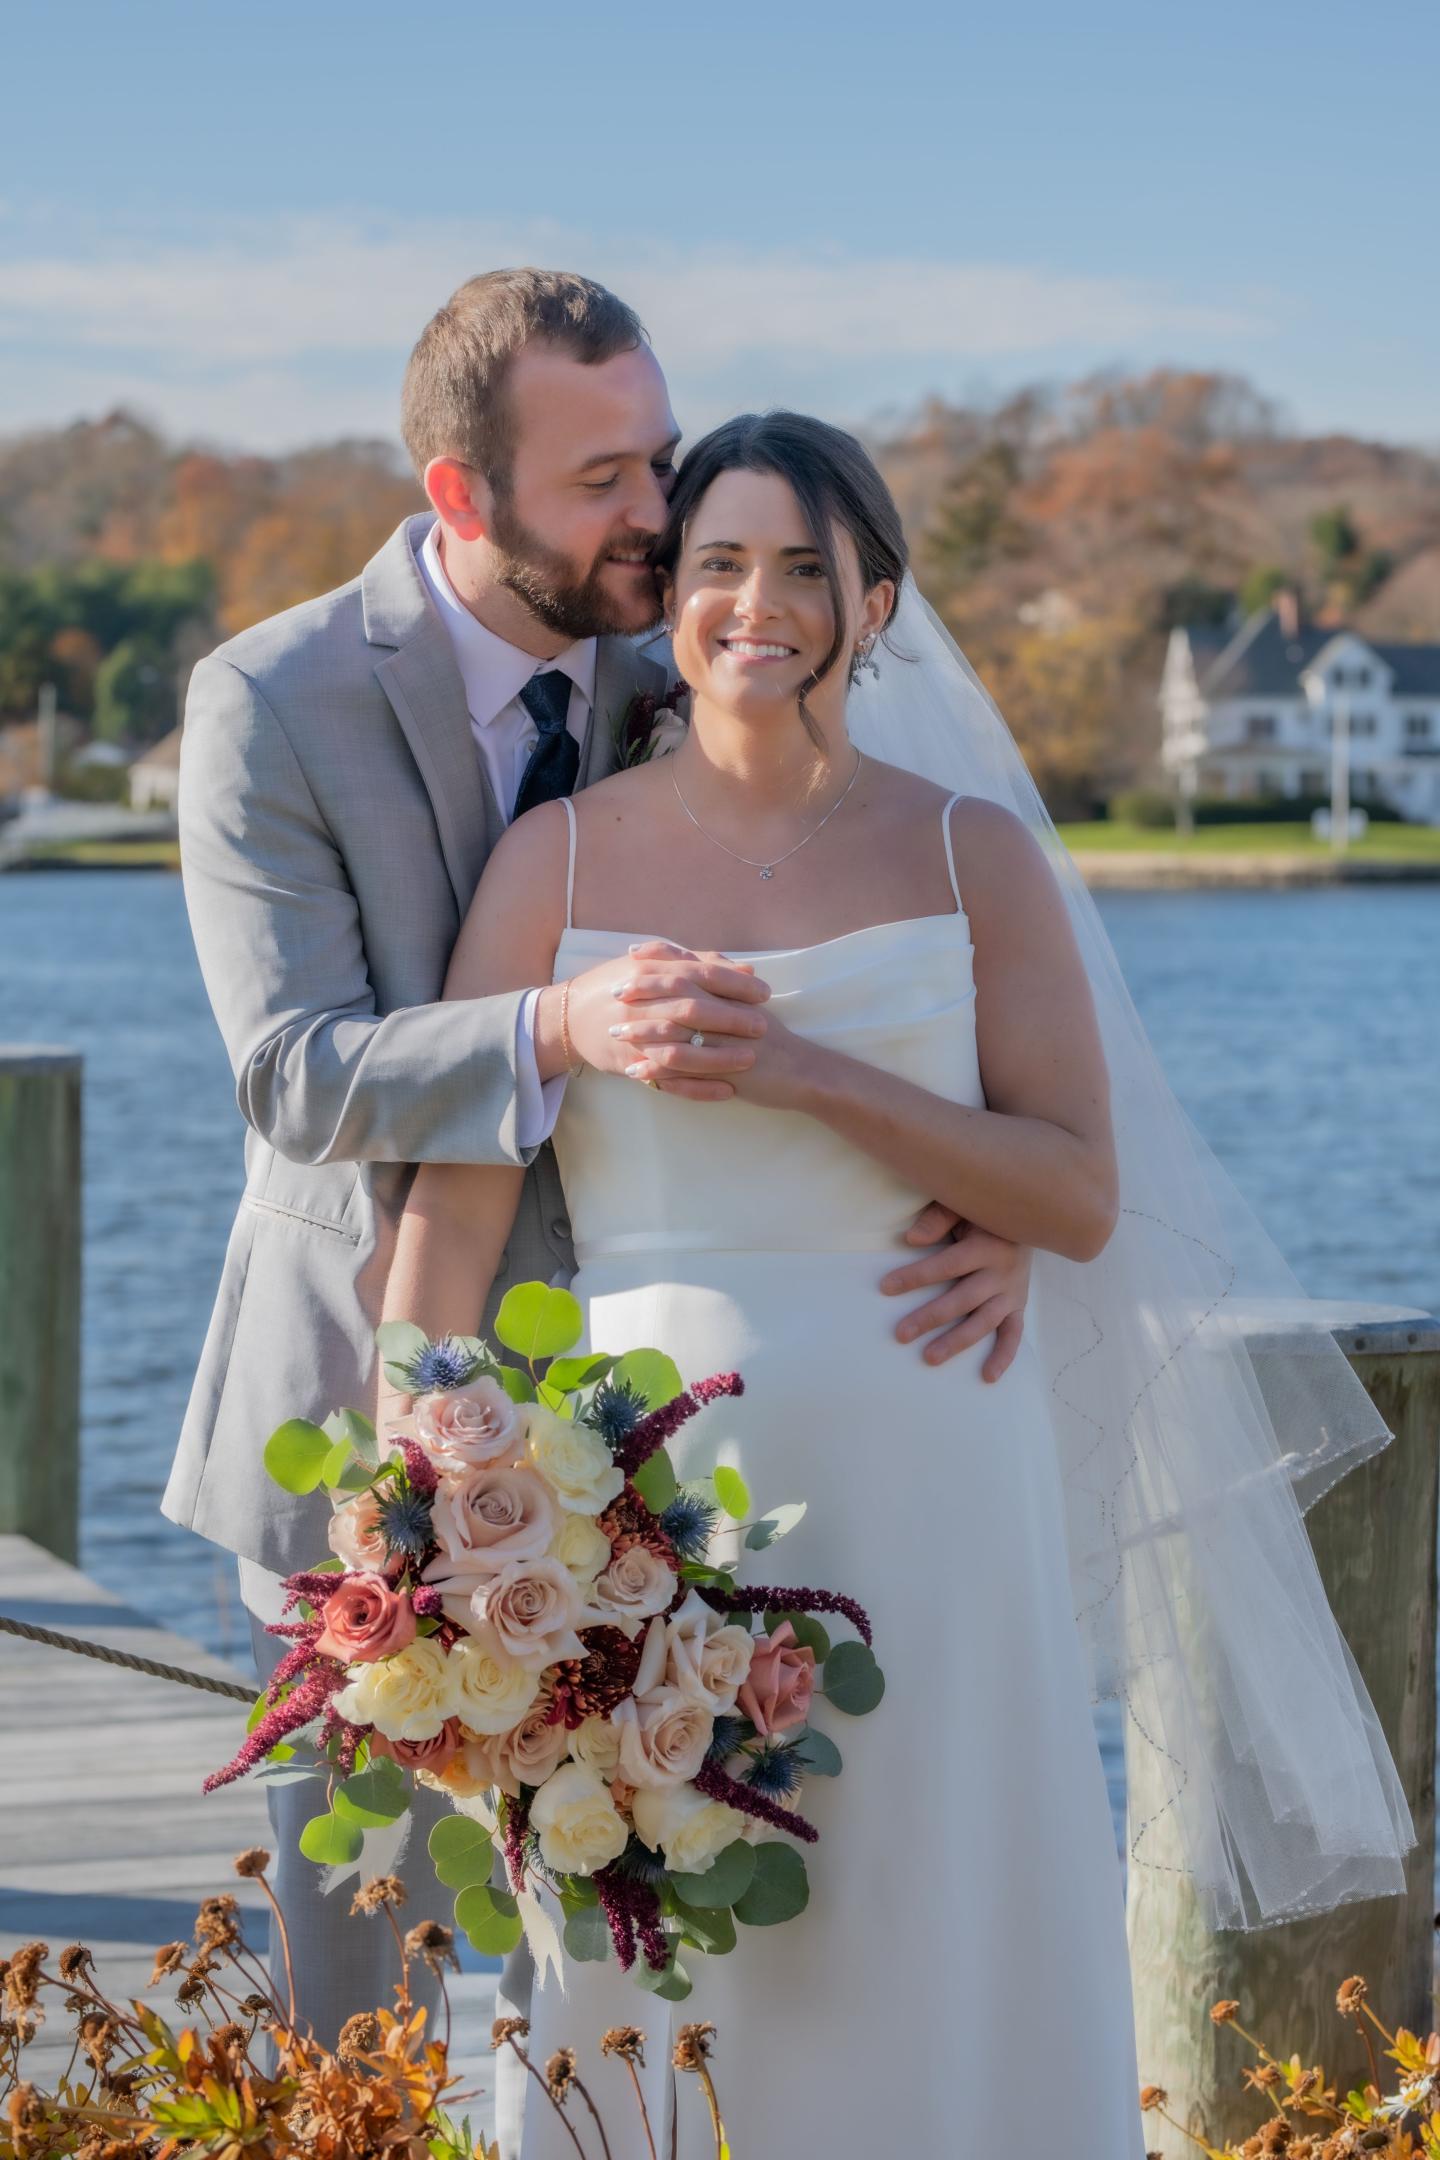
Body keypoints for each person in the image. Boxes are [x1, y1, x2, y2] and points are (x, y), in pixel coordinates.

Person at [162, 273, 1034, 2046]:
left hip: (681, 1455)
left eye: (659, 456)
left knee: (638, 1989)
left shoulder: (698, 642)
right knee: (370, 2000)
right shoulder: (274, 697)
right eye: (603, 480)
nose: (660, 514)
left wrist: (987, 1204)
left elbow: (870, 959)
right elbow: (295, 1074)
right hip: (382, 1418)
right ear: (459, 494)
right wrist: (555, 1029)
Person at [381, 409, 1147, 2156]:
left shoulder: (974, 856)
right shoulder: (555, 860)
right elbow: (454, 1213)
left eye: (808, 567)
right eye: (720, 561)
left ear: (878, 598)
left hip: (938, 1476)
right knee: (658, 1924)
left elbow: (1080, 1194)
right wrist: (412, 1504)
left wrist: (814, 1076)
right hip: (643, 1505)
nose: (760, 603)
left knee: (932, 1907)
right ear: (670, 598)